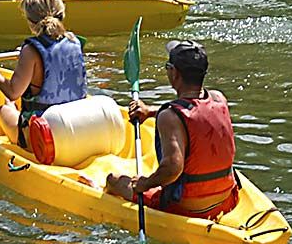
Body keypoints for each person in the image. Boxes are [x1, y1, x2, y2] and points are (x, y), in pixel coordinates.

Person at [103, 41, 240, 218]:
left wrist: (145, 183)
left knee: (114, 180)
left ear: (174, 73)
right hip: (226, 198)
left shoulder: (169, 116)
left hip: (187, 207)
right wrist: (151, 112)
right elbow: (195, 111)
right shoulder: (218, 98)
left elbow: (172, 168)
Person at [0, 0, 87, 142]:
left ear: (30, 21)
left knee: (5, 107)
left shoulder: (31, 51)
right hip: (78, 125)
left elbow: (12, 91)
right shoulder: (74, 41)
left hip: (43, 136)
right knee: (12, 104)